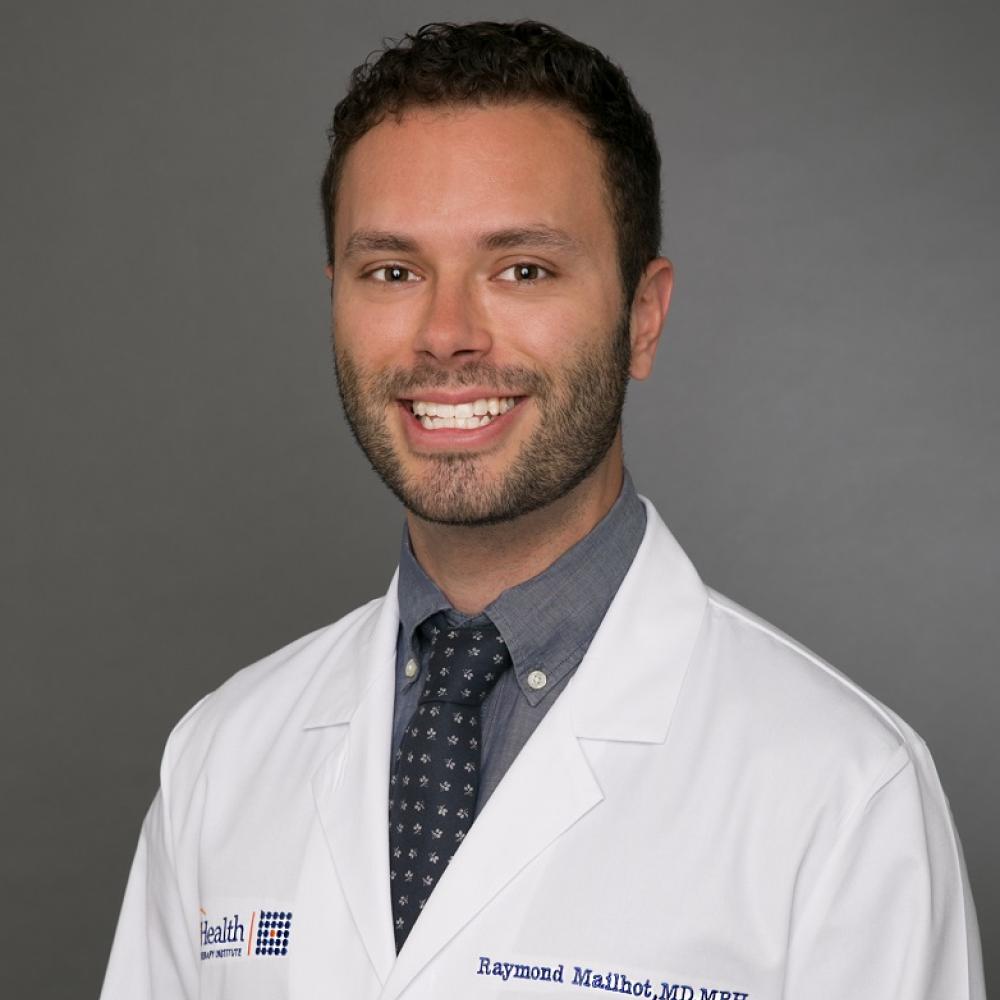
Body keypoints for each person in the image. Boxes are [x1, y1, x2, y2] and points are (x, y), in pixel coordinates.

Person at [101, 21, 985, 1000]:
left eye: (522, 268)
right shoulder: (221, 755)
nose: (445, 336)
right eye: (391, 271)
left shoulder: (843, 791)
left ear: (641, 317)